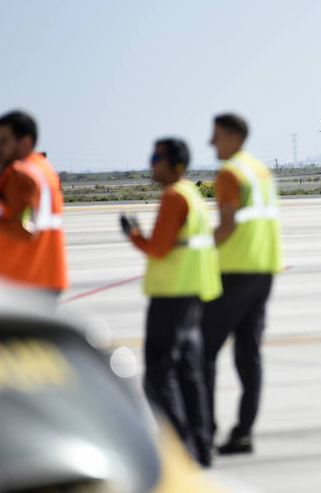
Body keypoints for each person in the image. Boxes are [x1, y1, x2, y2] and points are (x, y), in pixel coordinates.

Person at [121, 138, 221, 467]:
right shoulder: (193, 195)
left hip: (170, 296)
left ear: (174, 164)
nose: (151, 163)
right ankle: (202, 448)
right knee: (189, 375)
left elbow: (159, 248)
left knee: (158, 377)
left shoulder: (174, 197)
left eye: (156, 157)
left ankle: (181, 450)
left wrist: (133, 235)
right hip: (193, 295)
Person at [202, 114, 283, 455]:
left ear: (233, 137)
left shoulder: (230, 173)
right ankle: (244, 433)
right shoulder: (261, 171)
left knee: (202, 352)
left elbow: (226, 226)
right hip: (264, 271)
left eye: (216, 135)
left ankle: (202, 429)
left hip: (234, 272)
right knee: (248, 354)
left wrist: (196, 249)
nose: (210, 142)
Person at [0, 111, 67, 296]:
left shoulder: (21, 175)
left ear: (25, 143)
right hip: (35, 279)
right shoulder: (41, 169)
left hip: (24, 284)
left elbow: (25, 229)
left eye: (3, 141)